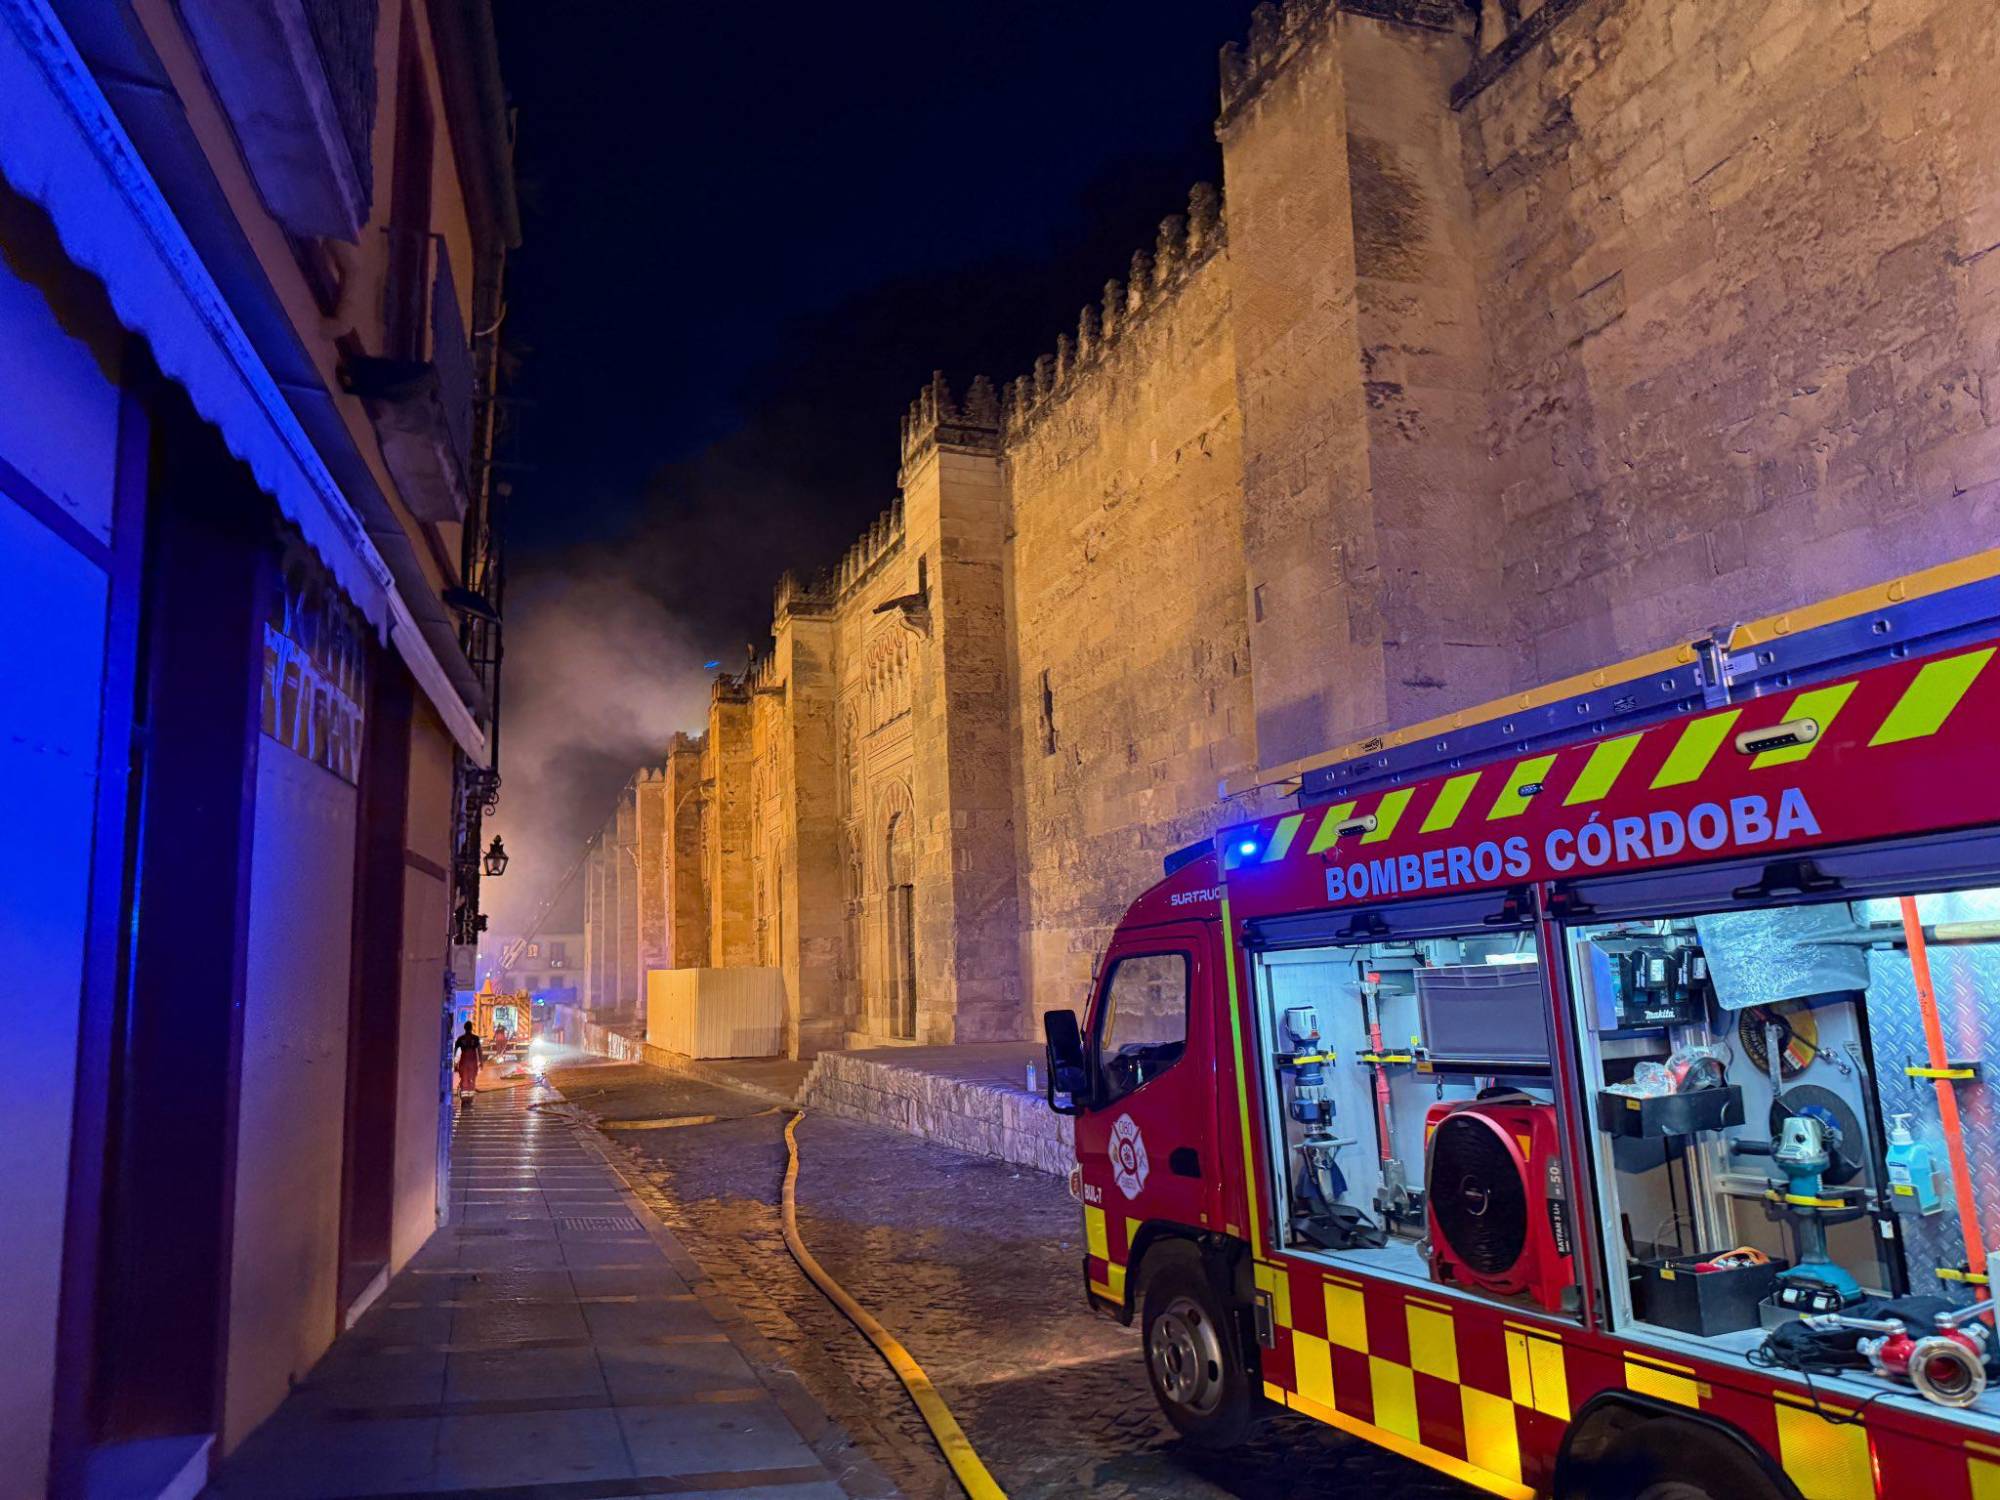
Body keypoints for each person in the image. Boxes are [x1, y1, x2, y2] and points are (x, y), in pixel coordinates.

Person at [453, 1022, 483, 1103]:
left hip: (464, 1062)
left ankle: (464, 1098)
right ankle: (470, 1098)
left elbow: (455, 1052)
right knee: (472, 1079)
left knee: (464, 1079)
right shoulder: (476, 1038)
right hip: (473, 1062)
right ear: (471, 1028)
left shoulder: (460, 1039)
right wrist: (481, 1062)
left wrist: (455, 1064)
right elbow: (479, 1051)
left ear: (464, 1028)